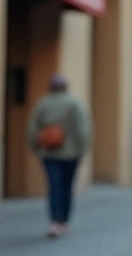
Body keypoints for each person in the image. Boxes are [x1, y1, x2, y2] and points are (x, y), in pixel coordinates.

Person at [27, 73, 92, 239]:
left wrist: (36, 147)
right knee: (67, 187)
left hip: (49, 153)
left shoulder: (42, 104)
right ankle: (64, 221)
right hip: (71, 154)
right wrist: (82, 149)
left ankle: (55, 221)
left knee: (54, 186)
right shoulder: (75, 103)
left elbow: (32, 129)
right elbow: (82, 130)